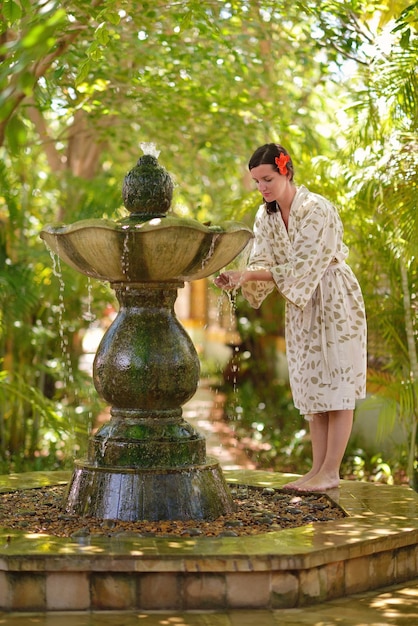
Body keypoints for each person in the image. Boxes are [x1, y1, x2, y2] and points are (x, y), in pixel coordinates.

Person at [214, 143, 367, 492]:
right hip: (300, 306)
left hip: (333, 297)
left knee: (337, 382)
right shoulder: (264, 216)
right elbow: (263, 261)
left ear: (286, 171)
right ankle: (317, 471)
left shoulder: (317, 209)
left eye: (267, 178)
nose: (263, 187)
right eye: (256, 182)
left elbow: (303, 265)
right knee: (314, 387)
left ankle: (331, 472)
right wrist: (236, 277)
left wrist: (249, 276)